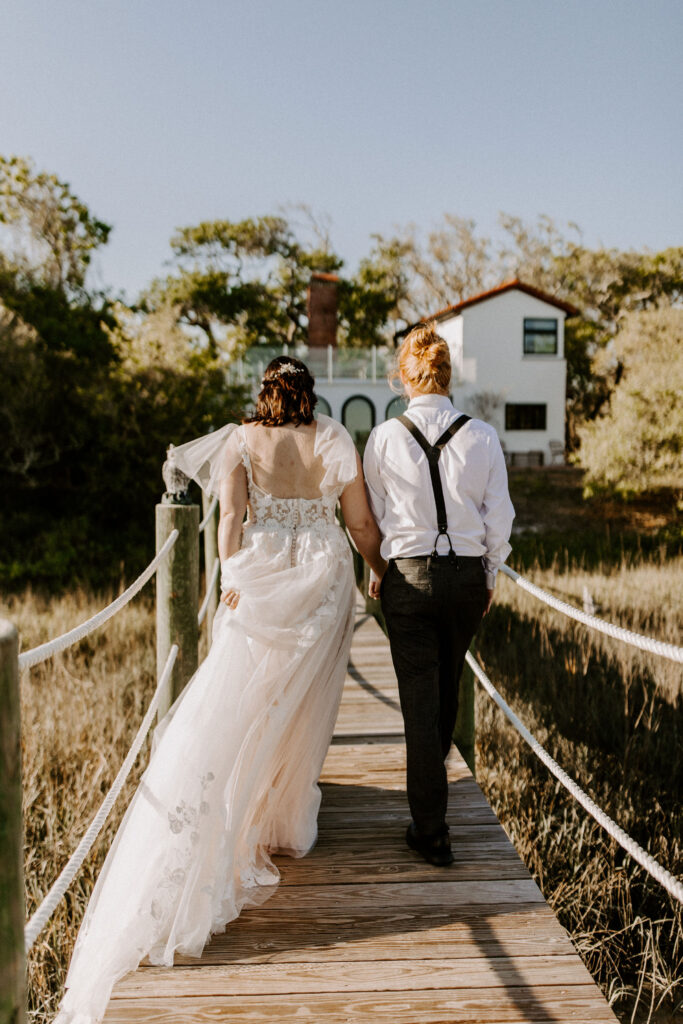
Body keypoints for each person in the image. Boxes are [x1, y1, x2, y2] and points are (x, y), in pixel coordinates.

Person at [55, 356, 386, 1024]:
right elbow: (356, 522)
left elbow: (230, 516)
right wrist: (375, 566)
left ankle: (248, 812)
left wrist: (229, 579)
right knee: (302, 704)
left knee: (250, 696)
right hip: (321, 572)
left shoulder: (240, 439)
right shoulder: (332, 439)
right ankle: (282, 819)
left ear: (263, 394)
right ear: (310, 395)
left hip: (260, 571)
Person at [363, 323, 514, 867]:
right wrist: (492, 575)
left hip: (409, 576)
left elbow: (374, 517)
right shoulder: (483, 436)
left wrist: (379, 569)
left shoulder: (383, 437)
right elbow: (499, 516)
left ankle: (431, 830)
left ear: (404, 377)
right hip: (468, 578)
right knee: (447, 693)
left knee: (420, 704)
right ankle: (435, 808)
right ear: (446, 377)